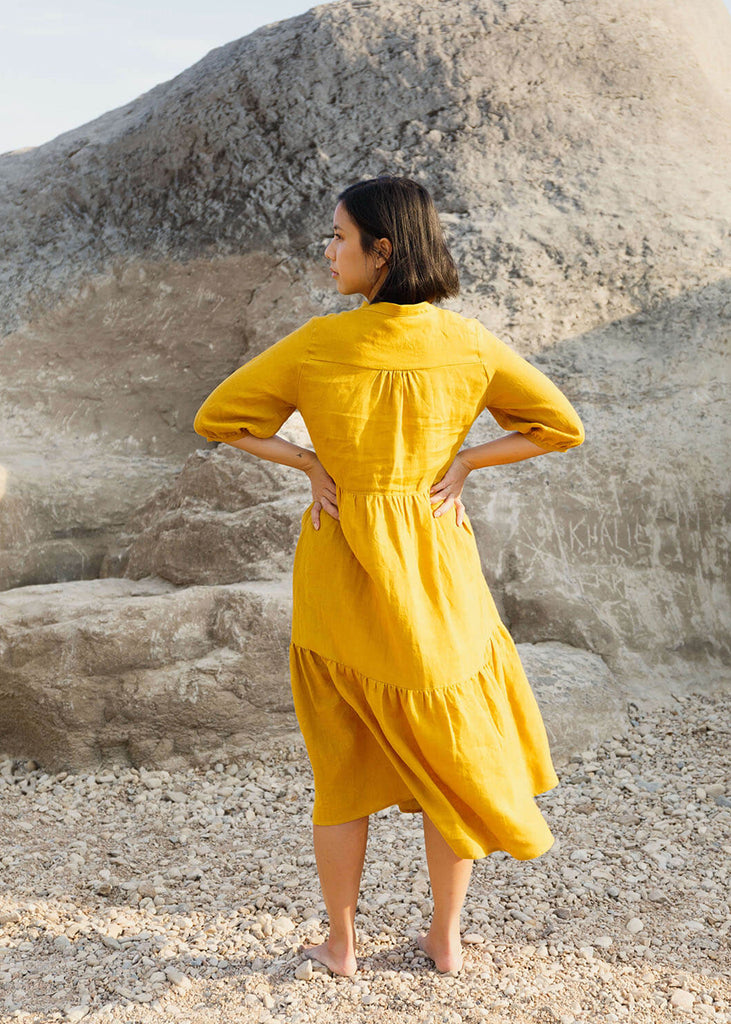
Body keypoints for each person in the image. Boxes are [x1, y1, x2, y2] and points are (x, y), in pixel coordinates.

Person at [193, 175, 585, 978]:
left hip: (338, 566)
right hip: (437, 569)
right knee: (448, 754)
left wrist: (307, 462)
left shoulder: (314, 344)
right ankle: (444, 940)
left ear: (383, 251)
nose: (327, 251)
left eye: (337, 237)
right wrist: (467, 460)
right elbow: (557, 425)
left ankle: (340, 946)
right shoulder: (468, 343)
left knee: (339, 770)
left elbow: (221, 418)